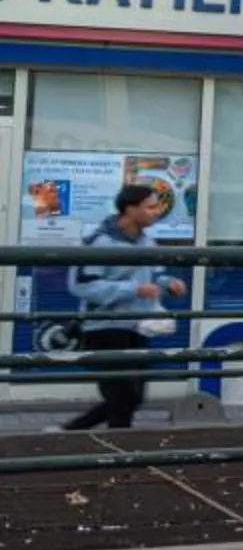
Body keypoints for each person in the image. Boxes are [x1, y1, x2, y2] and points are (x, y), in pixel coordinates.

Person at [62, 184, 184, 431]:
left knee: (132, 398)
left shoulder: (148, 242)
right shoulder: (99, 242)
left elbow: (155, 276)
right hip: (104, 329)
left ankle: (73, 431)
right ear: (130, 209)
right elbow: (80, 286)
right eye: (151, 207)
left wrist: (169, 283)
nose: (157, 212)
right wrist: (133, 289)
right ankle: (112, 449)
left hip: (138, 327)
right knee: (122, 397)